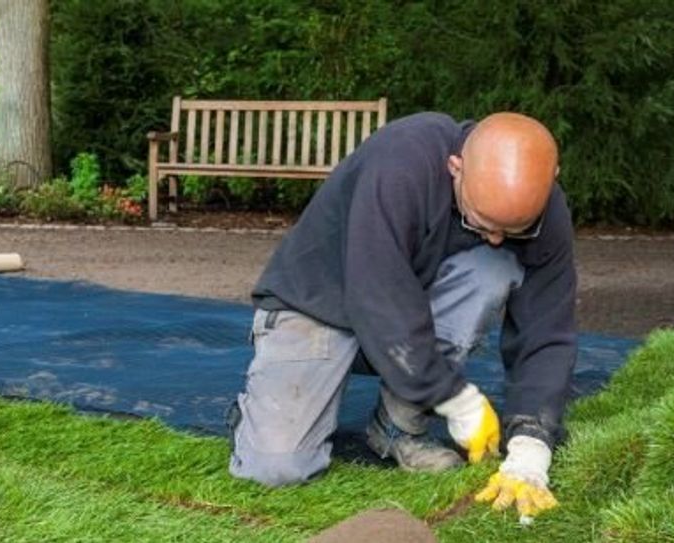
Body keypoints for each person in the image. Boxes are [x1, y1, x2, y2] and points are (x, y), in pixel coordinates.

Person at [226, 111, 576, 519]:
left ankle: (396, 426)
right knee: (277, 466)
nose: (496, 238)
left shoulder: (543, 208)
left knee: (492, 267)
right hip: (318, 302)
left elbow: (547, 329)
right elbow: (376, 295)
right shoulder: (400, 164)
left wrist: (531, 444)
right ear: (455, 168)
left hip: (407, 309)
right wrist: (454, 398)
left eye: (512, 231)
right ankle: (252, 421)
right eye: (480, 222)